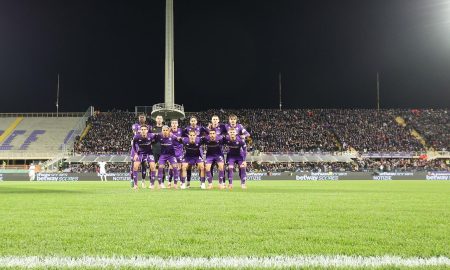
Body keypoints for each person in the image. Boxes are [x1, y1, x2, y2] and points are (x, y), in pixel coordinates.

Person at [183, 116, 207, 187]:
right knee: (188, 166)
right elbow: (182, 135)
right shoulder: (187, 129)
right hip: (189, 148)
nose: (193, 122)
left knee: (201, 167)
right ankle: (187, 182)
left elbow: (207, 132)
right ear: (190, 122)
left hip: (198, 149)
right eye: (192, 121)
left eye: (194, 121)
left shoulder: (201, 128)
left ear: (196, 122)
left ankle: (202, 182)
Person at [131, 124, 157, 189]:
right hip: (140, 154)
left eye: (145, 129)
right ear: (140, 130)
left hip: (149, 153)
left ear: (147, 130)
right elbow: (133, 145)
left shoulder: (151, 135)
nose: (143, 131)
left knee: (153, 167)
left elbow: (158, 138)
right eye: (142, 129)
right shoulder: (137, 137)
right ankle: (135, 185)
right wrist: (136, 154)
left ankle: (152, 184)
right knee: (135, 166)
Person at [167, 119, 183, 188]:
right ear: (171, 124)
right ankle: (169, 182)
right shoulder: (168, 131)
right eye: (173, 123)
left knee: (179, 167)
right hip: (171, 151)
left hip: (179, 151)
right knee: (171, 166)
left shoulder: (181, 131)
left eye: (175, 123)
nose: (174, 124)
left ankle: (180, 182)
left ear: (177, 124)